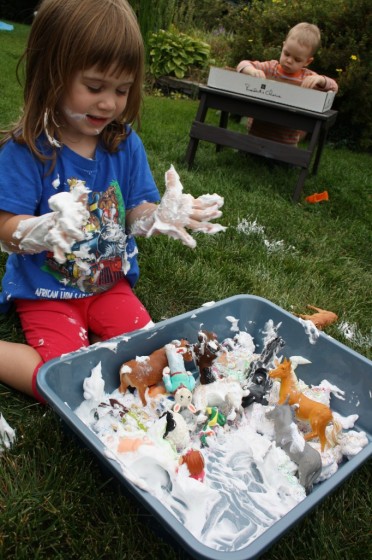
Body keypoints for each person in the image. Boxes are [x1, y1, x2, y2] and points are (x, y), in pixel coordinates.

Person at [0, 0, 225, 402]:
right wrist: (38, 230)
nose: (109, 103)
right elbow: (5, 227)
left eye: (122, 90)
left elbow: (137, 212)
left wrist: (158, 216)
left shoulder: (123, 145)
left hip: (108, 285)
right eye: (94, 87)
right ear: (51, 74)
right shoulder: (27, 151)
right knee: (66, 381)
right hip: (47, 291)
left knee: (151, 359)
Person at [236, 22, 339, 145]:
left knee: (282, 156)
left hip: (287, 140)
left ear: (307, 61)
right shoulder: (271, 68)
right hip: (257, 132)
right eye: (286, 54)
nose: (289, 61)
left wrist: (321, 80)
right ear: (283, 46)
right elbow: (242, 64)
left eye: (297, 59)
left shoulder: (307, 77)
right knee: (251, 152)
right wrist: (252, 70)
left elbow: (334, 88)